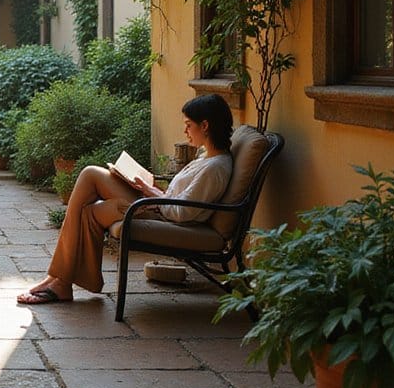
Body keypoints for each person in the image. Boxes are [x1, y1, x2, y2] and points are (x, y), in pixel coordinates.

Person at [16, 93, 235, 305]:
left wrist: (153, 196)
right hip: (157, 205)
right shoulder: (207, 157)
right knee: (89, 212)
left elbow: (183, 213)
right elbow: (182, 199)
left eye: (189, 124)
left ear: (205, 126)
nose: (185, 131)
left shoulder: (215, 168)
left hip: (162, 215)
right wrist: (151, 190)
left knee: (90, 174)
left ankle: (59, 279)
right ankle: (60, 283)